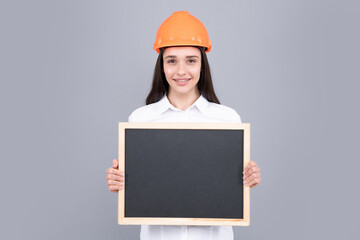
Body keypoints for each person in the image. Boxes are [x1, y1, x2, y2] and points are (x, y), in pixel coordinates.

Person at [105, 11, 261, 240]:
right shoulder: (140, 120)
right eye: (171, 61)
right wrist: (119, 181)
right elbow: (139, 187)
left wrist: (249, 178)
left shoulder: (228, 120)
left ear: (201, 65)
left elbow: (230, 186)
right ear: (162, 66)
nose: (181, 71)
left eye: (191, 60)